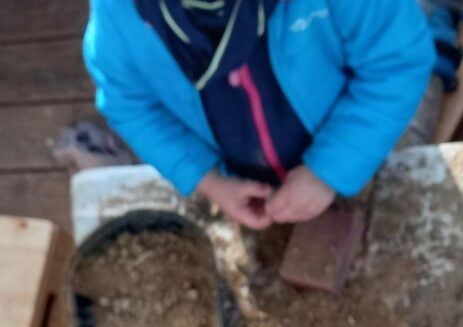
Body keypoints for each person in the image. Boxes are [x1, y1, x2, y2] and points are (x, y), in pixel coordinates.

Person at [83, 0, 444, 229]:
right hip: (238, 177)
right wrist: (208, 181)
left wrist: (329, 171)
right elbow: (129, 104)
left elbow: (396, 63)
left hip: (356, 152)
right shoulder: (117, 14)